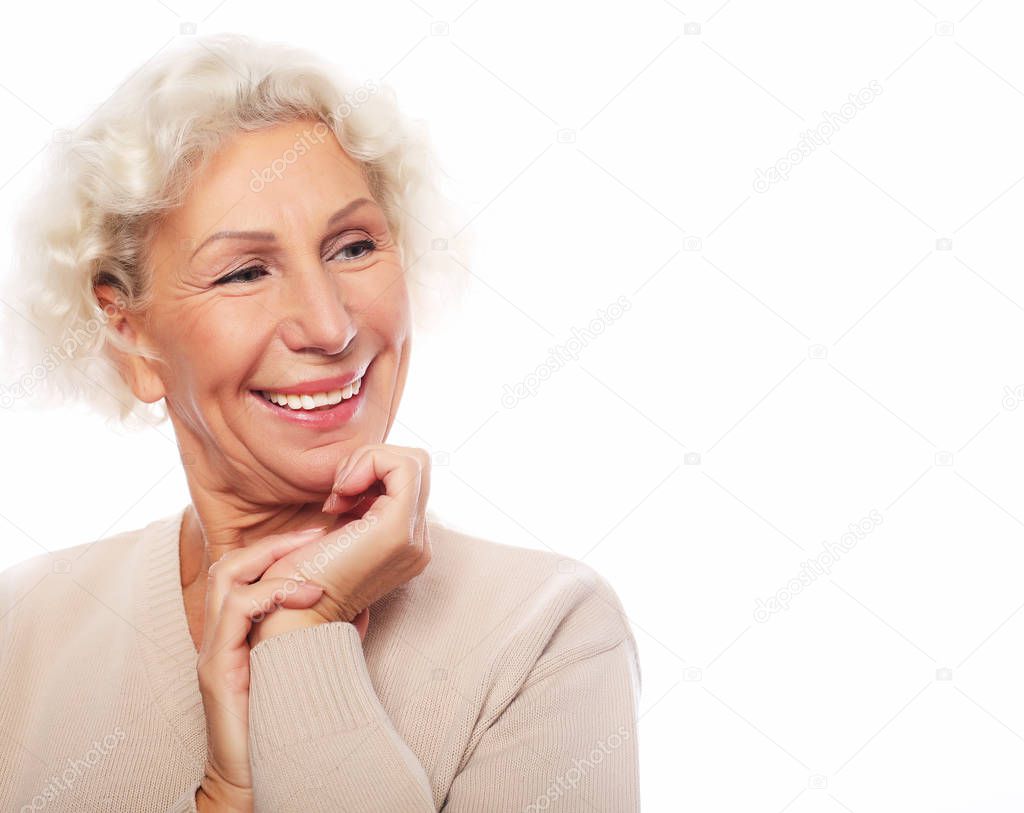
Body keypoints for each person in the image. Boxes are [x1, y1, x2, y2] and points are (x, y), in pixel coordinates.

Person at [0, 32, 641, 812]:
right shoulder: (20, 631)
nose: (328, 325)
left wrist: (305, 634)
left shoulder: (547, 635)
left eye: (352, 247)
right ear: (128, 331)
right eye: (245, 271)